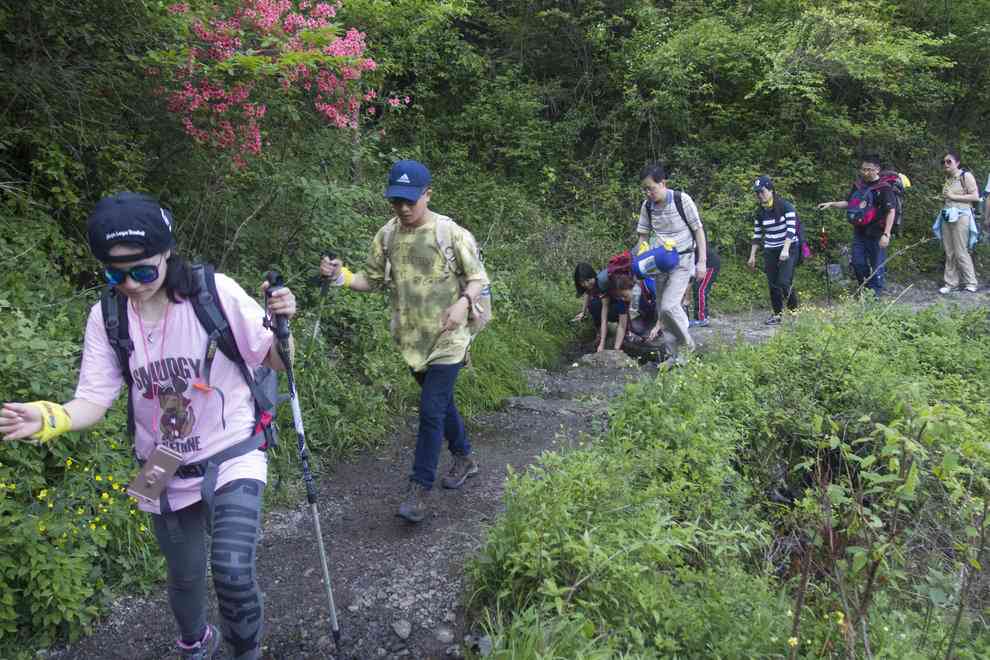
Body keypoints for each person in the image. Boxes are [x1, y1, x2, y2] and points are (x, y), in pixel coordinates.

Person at [0, 192, 296, 660]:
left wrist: (283, 326)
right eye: (114, 274)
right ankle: (195, 643)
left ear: (166, 253)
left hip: (233, 448)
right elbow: (93, 400)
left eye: (142, 271)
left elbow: (276, 362)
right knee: (183, 575)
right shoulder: (107, 315)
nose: (130, 284)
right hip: (160, 462)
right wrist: (51, 416)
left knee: (233, 570)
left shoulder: (214, 292)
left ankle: (246, 652)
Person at [319, 160, 489, 523]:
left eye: (411, 200)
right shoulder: (387, 236)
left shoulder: (450, 233)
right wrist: (339, 277)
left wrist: (462, 303)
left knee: (430, 411)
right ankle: (465, 457)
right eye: (397, 200)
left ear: (428, 194)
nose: (404, 207)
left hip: (449, 337)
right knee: (440, 405)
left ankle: (419, 489)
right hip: (411, 340)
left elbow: (477, 279)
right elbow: (371, 280)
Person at [636, 163, 708, 367]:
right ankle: (673, 356)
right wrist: (640, 260)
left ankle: (689, 348)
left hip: (683, 260)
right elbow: (643, 237)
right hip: (659, 264)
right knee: (662, 311)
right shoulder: (647, 206)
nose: (648, 192)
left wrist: (701, 262)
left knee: (669, 305)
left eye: (651, 187)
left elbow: (698, 231)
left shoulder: (681, 200)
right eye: (645, 189)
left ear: (663, 183)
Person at [817, 154, 896, 298]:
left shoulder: (884, 188)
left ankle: (875, 298)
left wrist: (887, 234)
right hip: (860, 232)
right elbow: (850, 203)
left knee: (877, 266)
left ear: (877, 169)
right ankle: (865, 291)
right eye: (863, 169)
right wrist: (831, 204)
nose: (865, 172)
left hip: (877, 233)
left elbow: (891, 211)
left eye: (869, 169)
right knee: (858, 263)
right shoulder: (859, 185)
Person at [748, 175, 800, 324]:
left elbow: (791, 230)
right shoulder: (760, 212)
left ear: (771, 190)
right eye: (757, 193)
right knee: (773, 283)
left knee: (784, 281)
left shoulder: (786, 206)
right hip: (770, 248)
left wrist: (785, 250)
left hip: (789, 247)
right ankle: (777, 314)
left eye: (762, 191)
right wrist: (752, 256)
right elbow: (757, 234)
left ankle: (794, 313)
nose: (760, 195)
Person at [934, 151, 979, 293]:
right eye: (944, 162)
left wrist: (953, 196)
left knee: (961, 250)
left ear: (957, 163)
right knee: (949, 251)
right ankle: (950, 283)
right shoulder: (948, 179)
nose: (946, 164)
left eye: (949, 161)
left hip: (962, 216)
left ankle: (970, 282)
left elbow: (975, 196)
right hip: (947, 215)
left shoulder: (966, 176)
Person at [596, 274, 659, 352]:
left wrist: (657, 327)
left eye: (624, 296)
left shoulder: (648, 285)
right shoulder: (622, 300)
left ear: (633, 287)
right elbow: (622, 325)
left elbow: (665, 307)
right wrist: (616, 349)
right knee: (635, 326)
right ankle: (649, 335)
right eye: (620, 296)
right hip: (647, 315)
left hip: (662, 311)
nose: (623, 299)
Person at [689, 242, 720, 327]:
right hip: (700, 265)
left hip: (710, 264)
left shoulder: (690, 246)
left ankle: (702, 319)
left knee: (701, 290)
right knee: (696, 289)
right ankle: (697, 317)